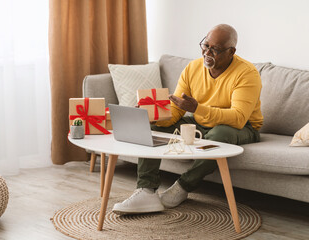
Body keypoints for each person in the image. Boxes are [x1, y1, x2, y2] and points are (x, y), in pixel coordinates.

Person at [112, 24, 263, 215]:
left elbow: (239, 118)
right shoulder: (192, 68)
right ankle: (146, 190)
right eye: (205, 45)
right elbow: (175, 109)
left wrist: (197, 109)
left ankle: (182, 186)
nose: (207, 52)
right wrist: (154, 118)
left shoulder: (247, 73)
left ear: (231, 51)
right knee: (152, 129)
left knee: (219, 133)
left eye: (215, 49)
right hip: (200, 120)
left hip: (242, 128)